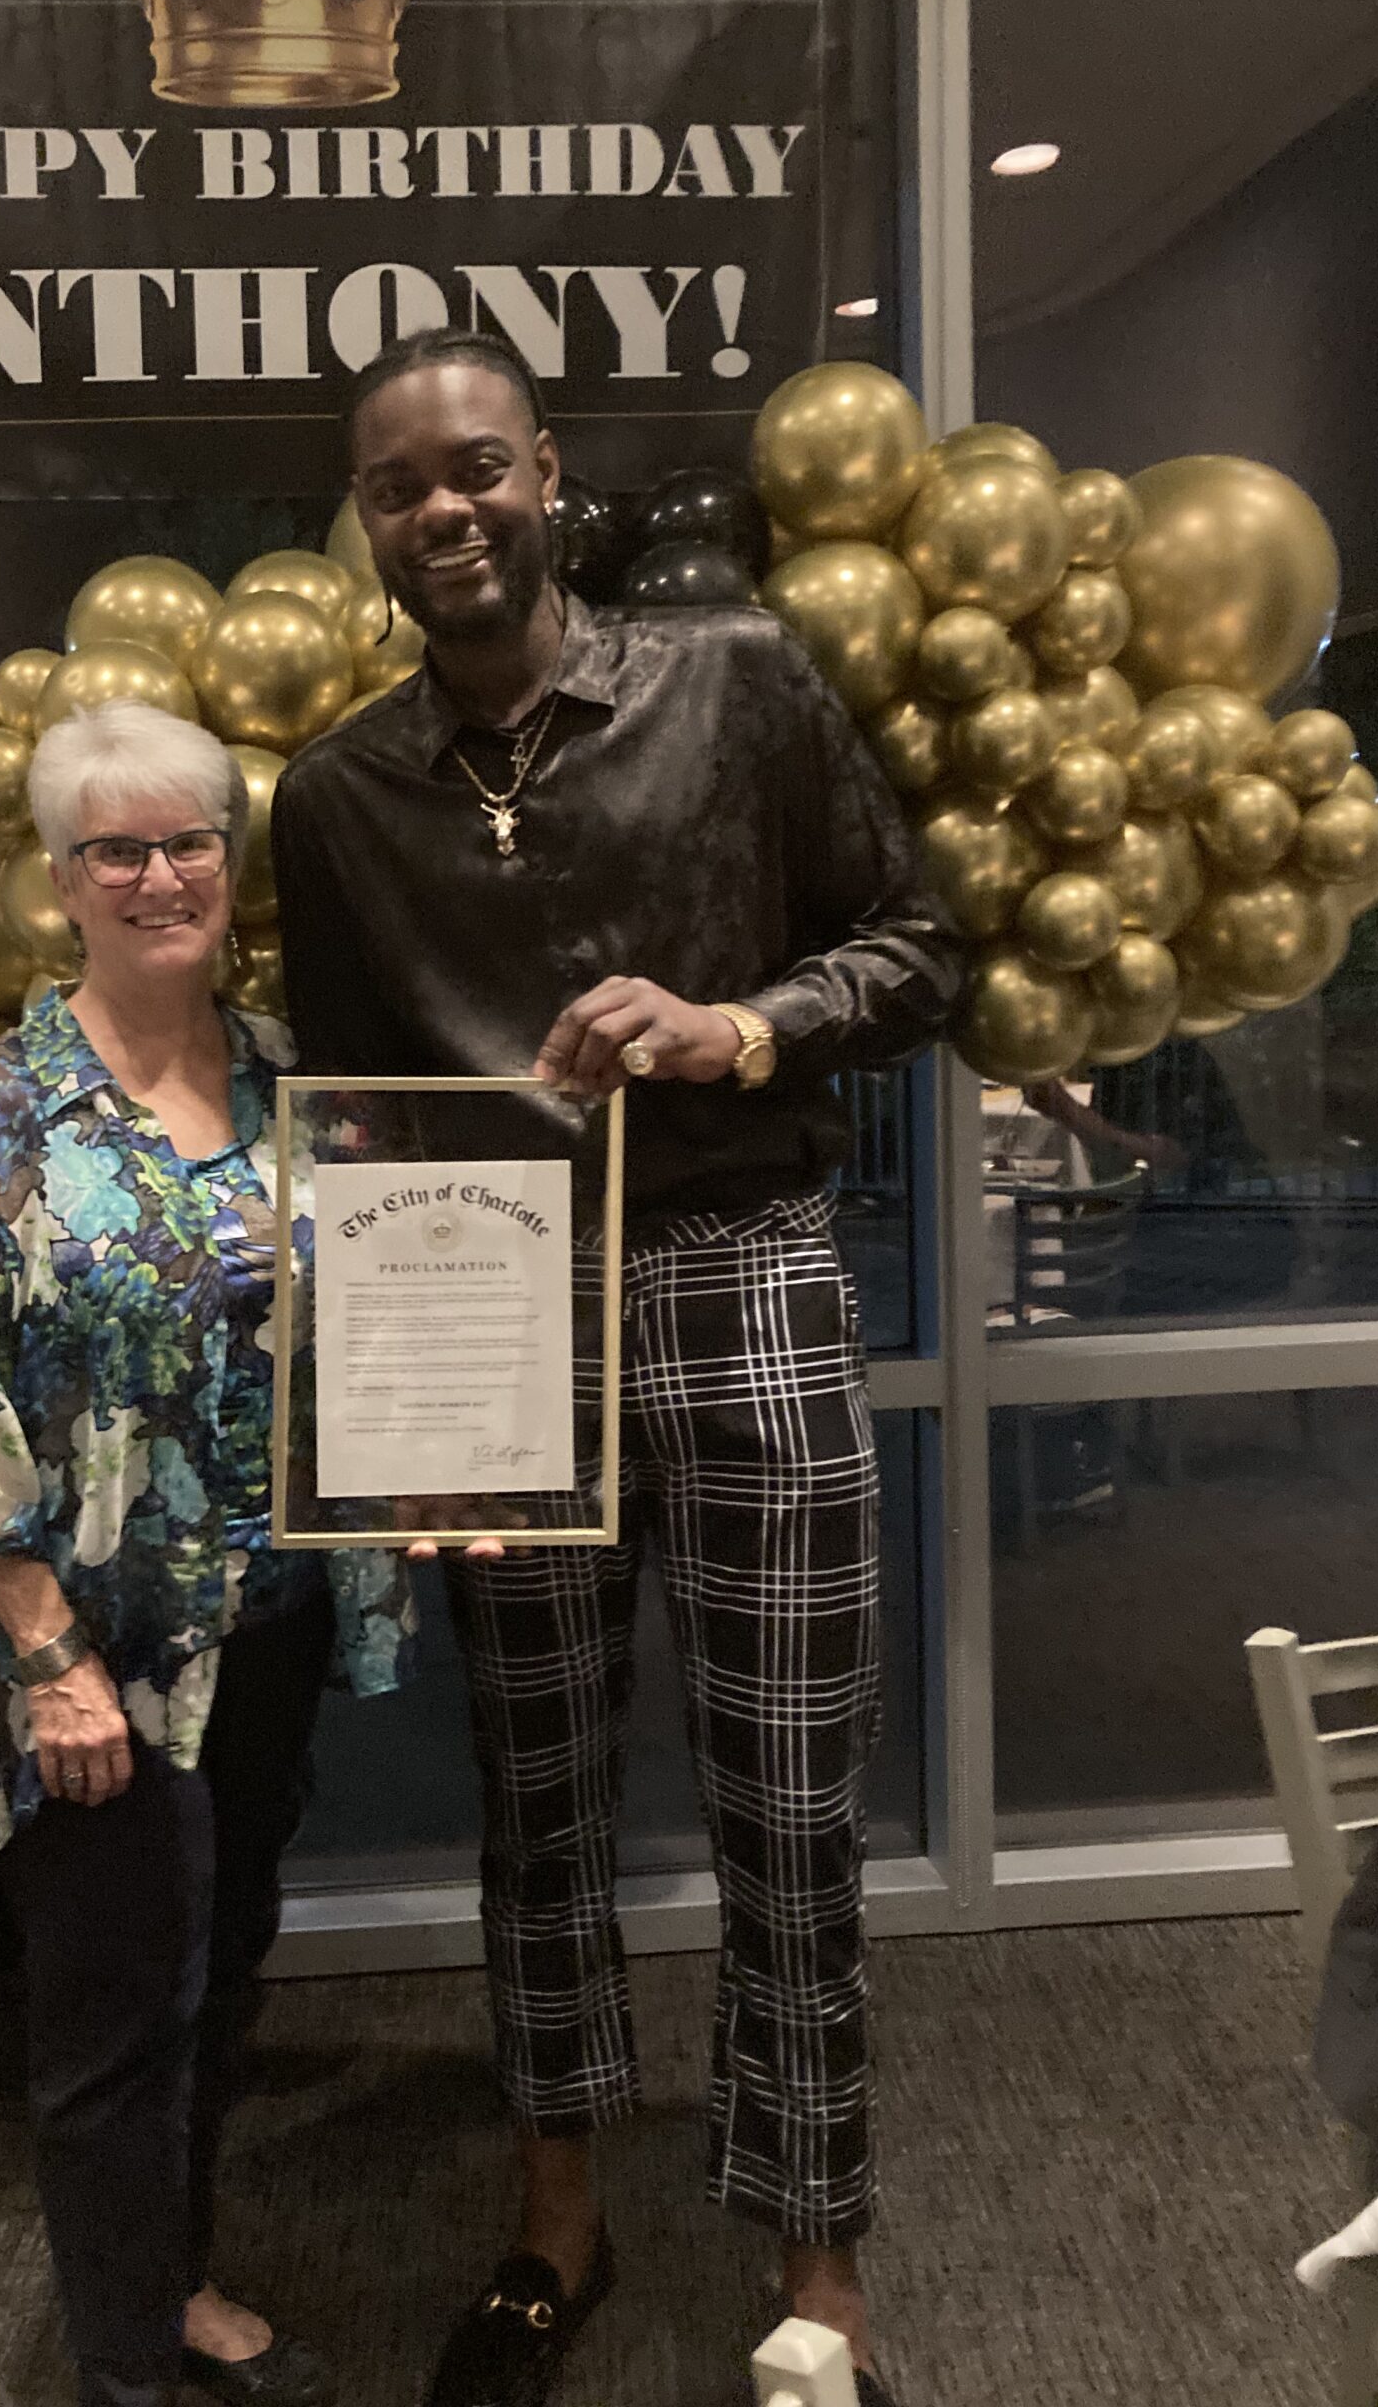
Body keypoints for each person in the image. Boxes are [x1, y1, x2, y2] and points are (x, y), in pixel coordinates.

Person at [271, 331, 966, 2407]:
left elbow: (921, 949)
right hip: (497, 1329)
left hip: (744, 1271)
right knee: (540, 1799)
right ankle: (556, 2221)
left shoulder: (734, 682)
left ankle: (817, 2264)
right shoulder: (337, 794)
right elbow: (359, 1121)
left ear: (548, 472)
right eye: (401, 485)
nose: (445, 510)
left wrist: (738, 1027)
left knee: (793, 1799)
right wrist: (390, 1420)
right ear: (368, 518)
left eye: (477, 467)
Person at [0, 700, 415, 2407]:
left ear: (226, 862)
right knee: (113, 2024)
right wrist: (50, 1659)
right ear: (62, 883)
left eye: (188, 840)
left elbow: (386, 1323)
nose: (158, 875)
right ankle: (121, 2368)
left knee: (224, 1965)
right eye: (115, 848)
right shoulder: (0, 1120)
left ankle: (170, 2282)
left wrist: (448, 1463)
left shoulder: (296, 1079)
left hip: (262, 1616)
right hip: (92, 1655)